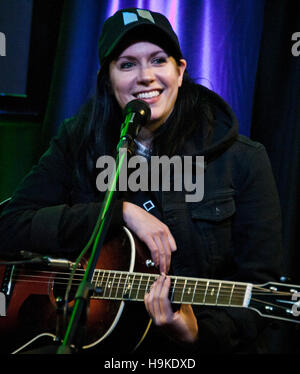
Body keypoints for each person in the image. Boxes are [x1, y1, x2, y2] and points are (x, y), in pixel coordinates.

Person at [0, 8, 282, 355]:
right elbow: (10, 226)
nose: (146, 76)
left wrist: (198, 333)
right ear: (108, 79)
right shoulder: (77, 141)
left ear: (180, 71)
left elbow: (260, 286)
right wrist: (119, 212)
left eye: (158, 60)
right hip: (86, 340)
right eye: (127, 64)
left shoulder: (243, 159)